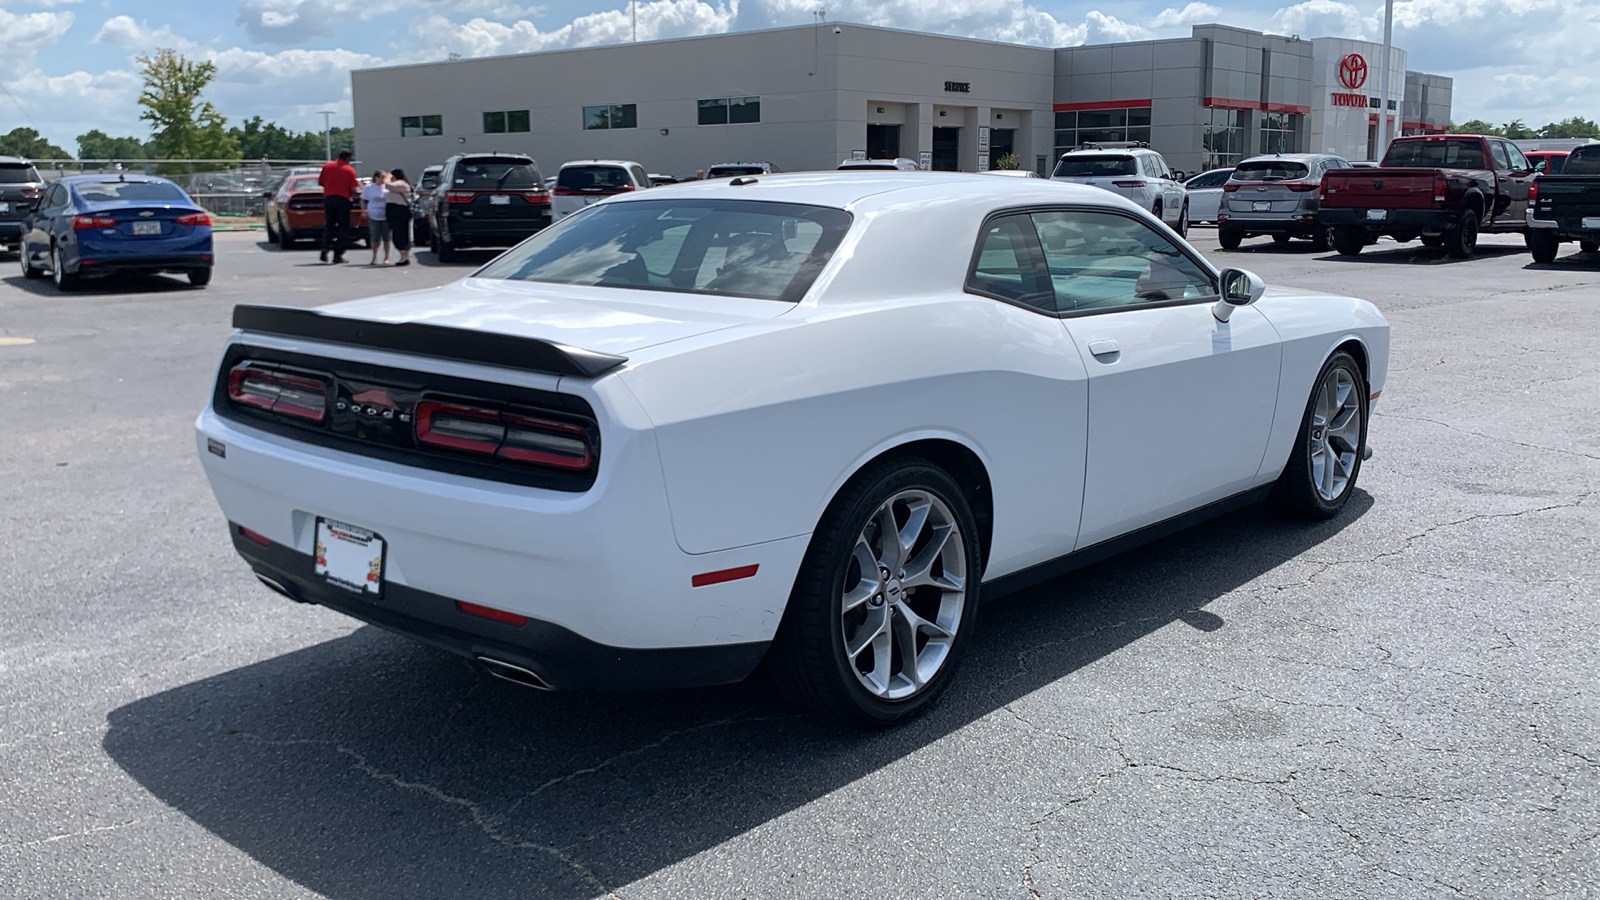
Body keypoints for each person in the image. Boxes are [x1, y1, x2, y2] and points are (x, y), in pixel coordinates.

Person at [317, 149, 360, 263]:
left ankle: (325, 249)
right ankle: (338, 254)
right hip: (343, 200)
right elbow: (353, 188)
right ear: (348, 158)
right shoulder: (349, 170)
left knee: (329, 226)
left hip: (329, 199)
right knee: (343, 228)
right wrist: (355, 197)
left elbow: (320, 182)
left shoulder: (327, 166)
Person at [383, 167, 416, 267]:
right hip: (397, 211)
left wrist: (387, 177)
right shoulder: (402, 184)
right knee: (401, 232)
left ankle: (404, 256)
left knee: (399, 233)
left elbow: (388, 186)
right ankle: (404, 256)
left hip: (399, 211)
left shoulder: (401, 183)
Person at [360, 170, 391, 265]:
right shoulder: (369, 187)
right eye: (381, 177)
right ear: (376, 178)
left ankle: (387, 256)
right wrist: (363, 211)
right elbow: (363, 199)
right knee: (374, 237)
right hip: (374, 214)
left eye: (384, 177)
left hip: (386, 214)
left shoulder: (387, 187)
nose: (383, 179)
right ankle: (374, 256)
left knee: (387, 237)